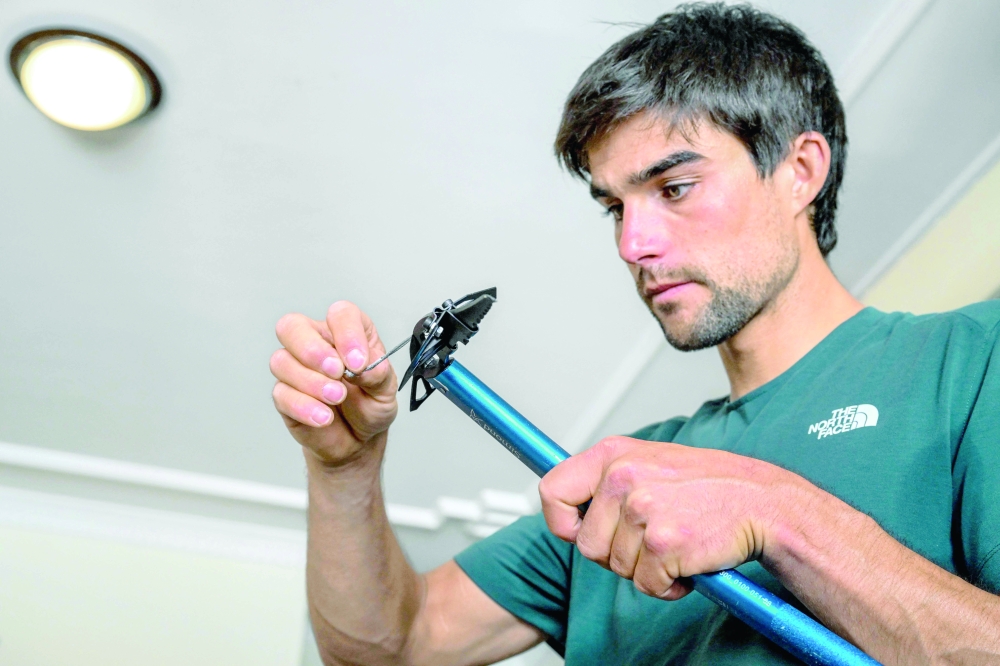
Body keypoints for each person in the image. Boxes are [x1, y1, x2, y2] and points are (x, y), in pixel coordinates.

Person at [269, 4, 1000, 664]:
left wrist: (780, 513)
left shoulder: (971, 360)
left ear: (801, 169)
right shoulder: (623, 483)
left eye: (674, 188)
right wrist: (344, 471)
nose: (633, 244)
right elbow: (389, 647)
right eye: (614, 207)